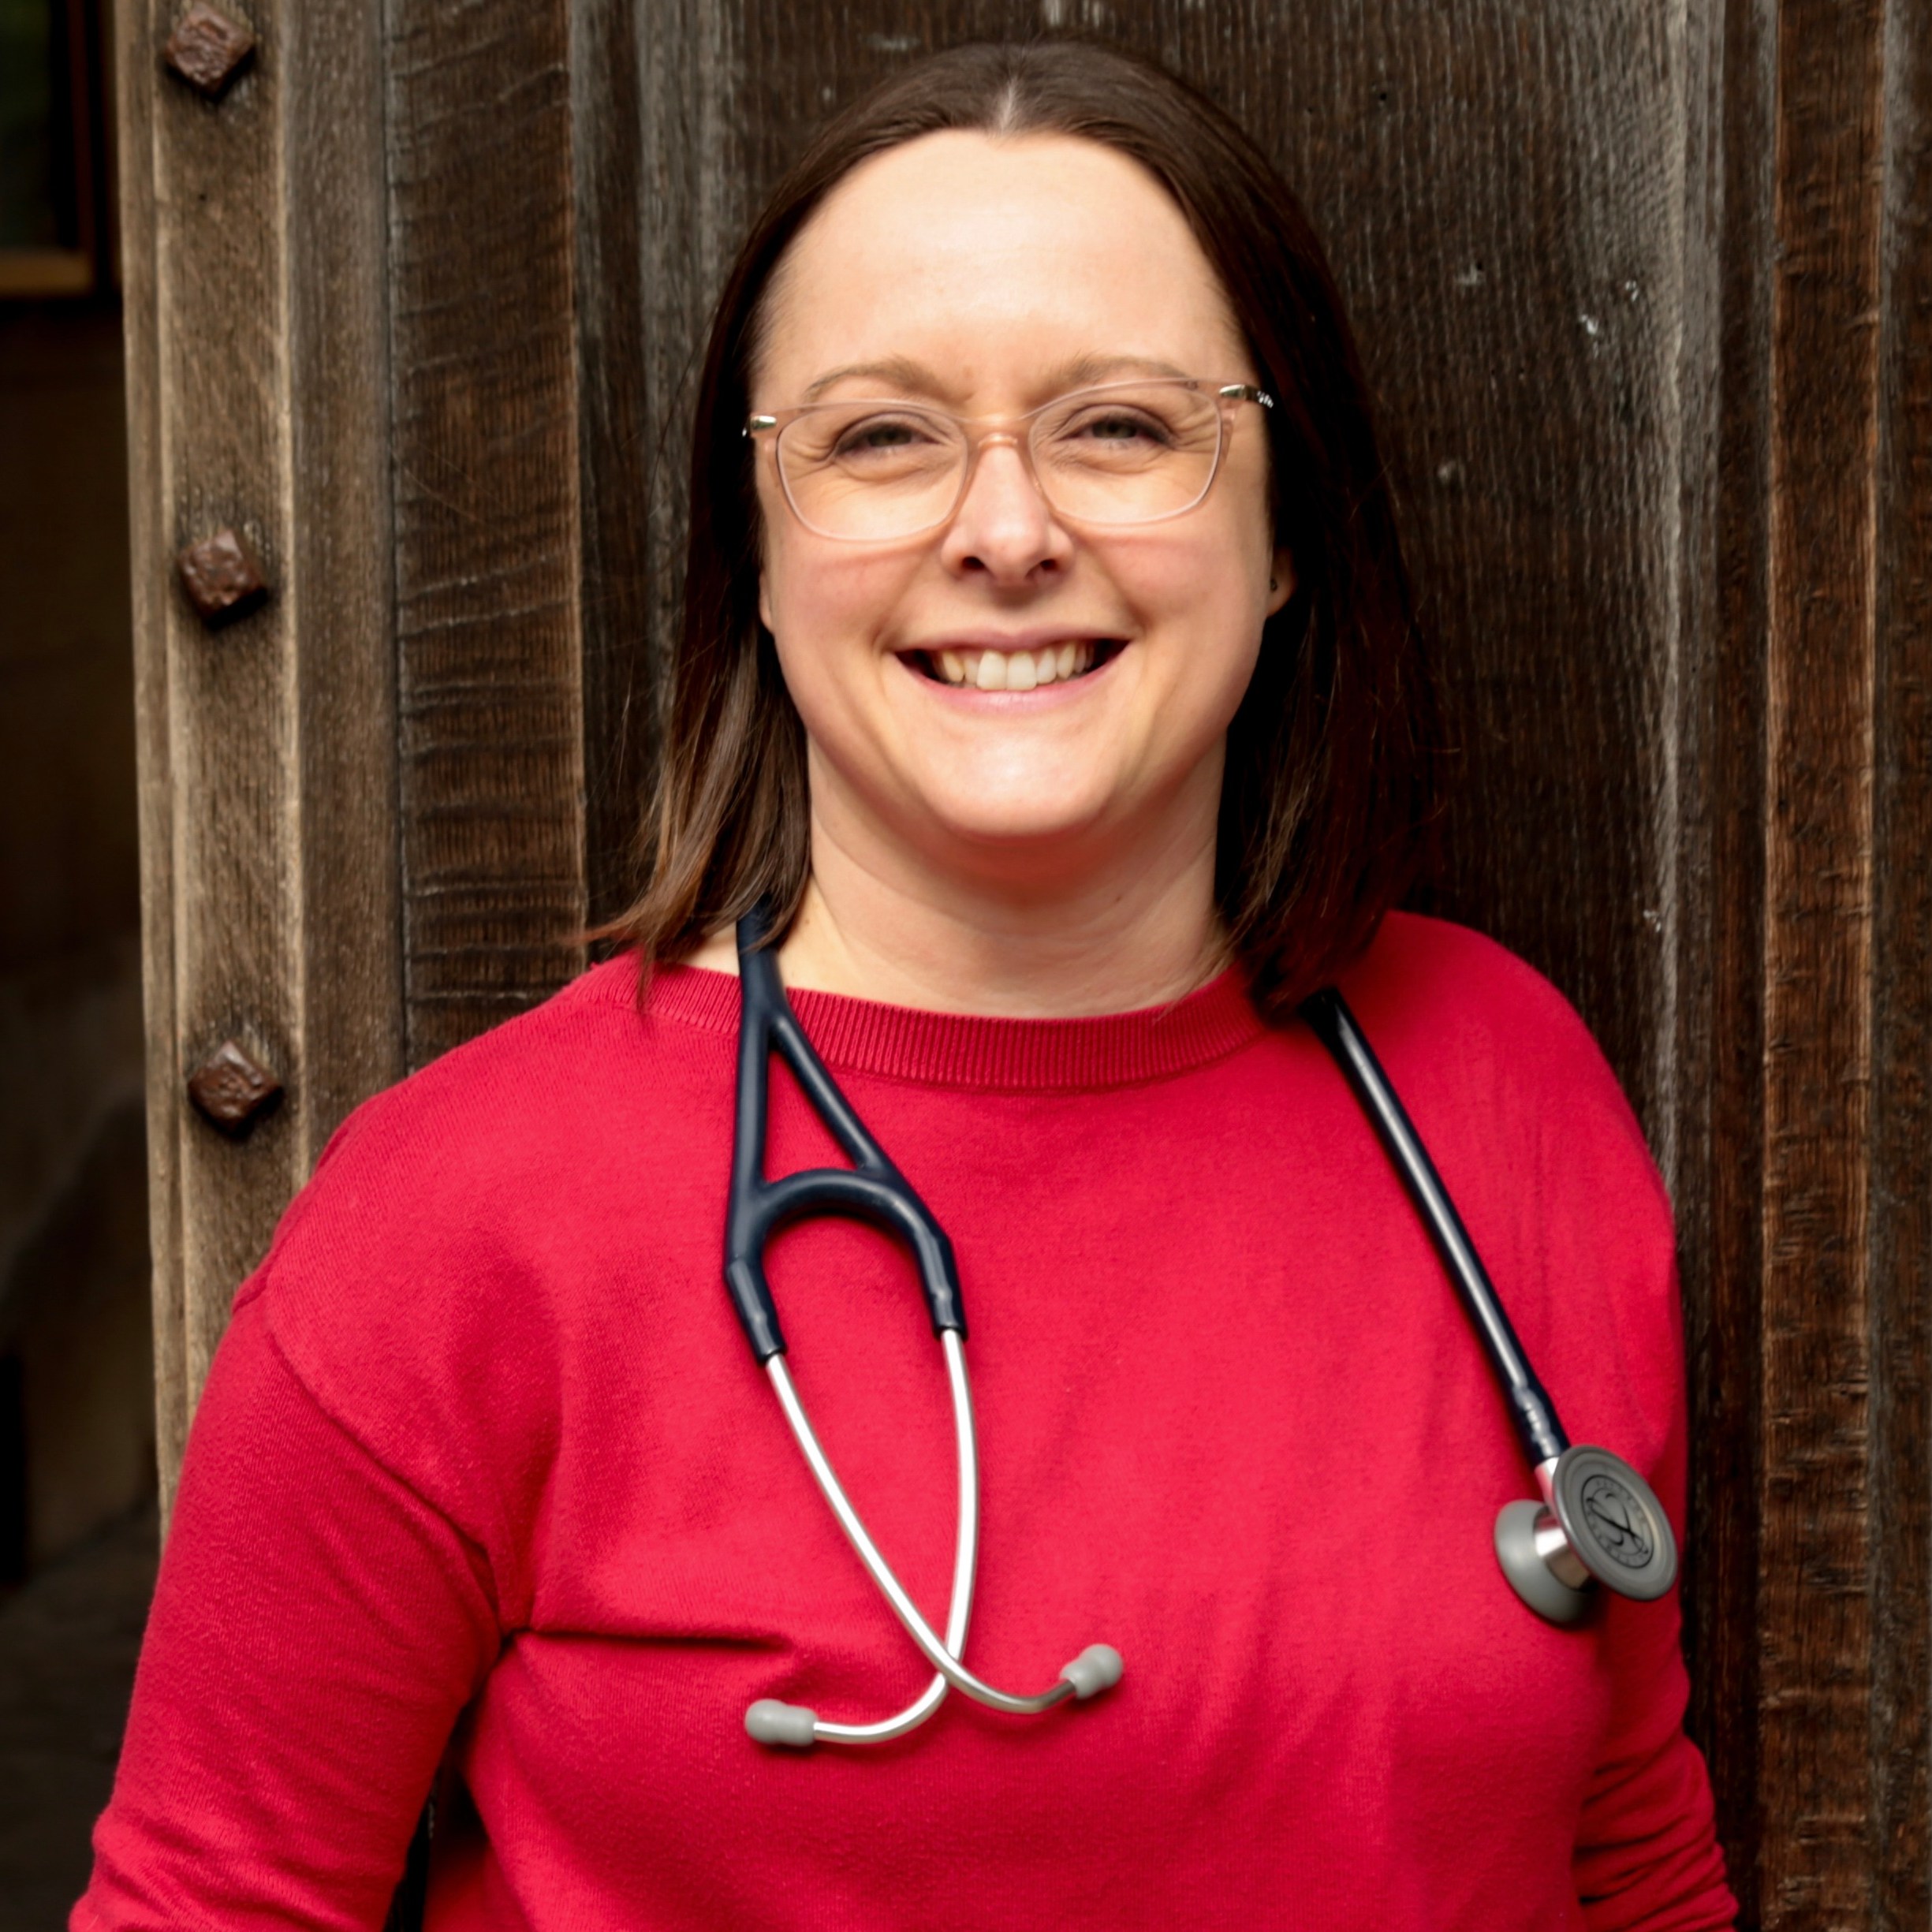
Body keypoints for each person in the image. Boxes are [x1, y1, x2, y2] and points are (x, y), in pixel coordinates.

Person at [76, 38, 1736, 1931]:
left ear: (1283, 535)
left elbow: (1630, 1861)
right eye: (881, 437)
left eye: (1121, 426)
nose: (1007, 530)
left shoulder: (1495, 1081)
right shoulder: (462, 1221)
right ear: (756, 553)